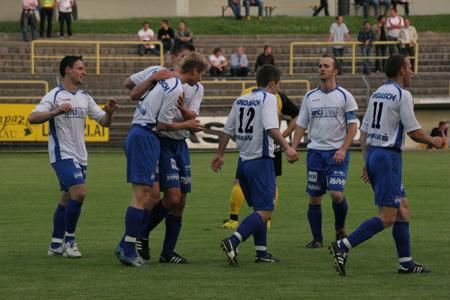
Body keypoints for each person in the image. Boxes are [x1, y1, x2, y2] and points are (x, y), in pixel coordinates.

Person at [329, 54, 443, 276]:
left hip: (376, 155)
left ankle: (406, 262)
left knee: (403, 209)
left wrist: (366, 160)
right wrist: (434, 140)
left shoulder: (377, 93)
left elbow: (364, 132)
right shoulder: (403, 94)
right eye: (409, 67)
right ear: (401, 70)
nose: (412, 72)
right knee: (389, 216)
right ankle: (343, 246)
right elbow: (414, 132)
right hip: (387, 158)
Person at [116, 52, 207, 267]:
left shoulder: (167, 81)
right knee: (144, 196)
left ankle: (129, 245)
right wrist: (187, 125)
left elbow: (139, 99)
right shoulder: (172, 85)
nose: (201, 78)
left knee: (147, 194)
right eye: (201, 73)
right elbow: (162, 125)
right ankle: (128, 247)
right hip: (146, 134)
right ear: (193, 71)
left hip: (146, 134)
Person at [28, 55, 118, 258]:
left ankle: (55, 244)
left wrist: (109, 112)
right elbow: (32, 118)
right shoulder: (54, 96)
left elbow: (104, 122)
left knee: (67, 197)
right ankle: (70, 241)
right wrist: (56, 111)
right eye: (80, 68)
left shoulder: (85, 97)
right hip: (62, 154)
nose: (83, 72)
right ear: (68, 70)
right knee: (80, 191)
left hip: (80, 155)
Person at [212, 65, 298, 266]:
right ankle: (233, 241)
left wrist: (219, 154)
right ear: (271, 83)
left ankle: (261, 252)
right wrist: (287, 147)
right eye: (278, 85)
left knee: (259, 209)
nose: (278, 88)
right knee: (266, 211)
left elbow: (227, 130)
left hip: (243, 162)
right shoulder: (268, 98)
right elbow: (271, 128)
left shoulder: (241, 98)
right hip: (261, 161)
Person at [291, 54, 359, 249]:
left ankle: (340, 228)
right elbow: (301, 124)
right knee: (314, 196)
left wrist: (343, 148)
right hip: (315, 154)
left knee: (337, 194)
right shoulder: (309, 97)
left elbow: (353, 127)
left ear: (335, 71)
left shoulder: (345, 96)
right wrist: (293, 148)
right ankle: (317, 238)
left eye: (326, 66)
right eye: (319, 65)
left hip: (336, 154)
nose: (321, 68)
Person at [222, 88, 299, 229]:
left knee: (238, 181)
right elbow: (297, 115)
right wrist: (284, 135)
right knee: (271, 181)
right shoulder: (277, 97)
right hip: (267, 147)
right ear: (272, 82)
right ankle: (266, 218)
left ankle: (233, 219)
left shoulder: (246, 93)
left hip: (247, 147)